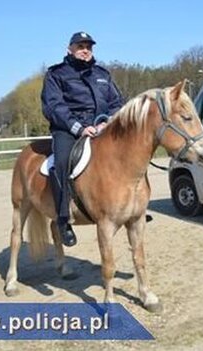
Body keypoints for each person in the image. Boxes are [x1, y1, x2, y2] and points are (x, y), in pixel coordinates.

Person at [41, 31, 125, 246]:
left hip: (101, 126)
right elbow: (54, 106)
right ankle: (63, 218)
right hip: (68, 129)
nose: (85, 50)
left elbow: (116, 102)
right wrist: (78, 128)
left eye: (89, 46)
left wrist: (108, 121)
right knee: (62, 161)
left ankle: (131, 208)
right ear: (70, 49)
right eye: (80, 46)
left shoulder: (102, 74)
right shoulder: (56, 74)